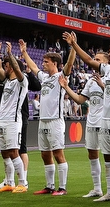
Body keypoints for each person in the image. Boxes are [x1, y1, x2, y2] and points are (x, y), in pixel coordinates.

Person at [66, 32, 110, 204]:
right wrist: (74, 44)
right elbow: (89, 60)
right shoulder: (108, 70)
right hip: (106, 120)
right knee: (108, 156)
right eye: (109, 52)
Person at [20, 40, 75, 196]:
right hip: (42, 120)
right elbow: (33, 67)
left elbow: (70, 65)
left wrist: (73, 48)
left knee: (58, 153)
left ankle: (62, 188)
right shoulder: (44, 77)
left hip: (55, 121)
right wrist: (24, 52)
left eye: (46, 62)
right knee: (45, 154)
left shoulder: (61, 76)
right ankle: (49, 186)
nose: (43, 64)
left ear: (55, 63)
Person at [59, 49, 109, 198]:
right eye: (95, 58)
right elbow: (80, 100)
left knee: (108, 156)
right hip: (92, 122)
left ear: (106, 63)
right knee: (92, 155)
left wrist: (102, 85)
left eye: (98, 60)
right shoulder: (90, 81)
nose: (95, 61)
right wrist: (66, 87)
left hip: (105, 122)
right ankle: (97, 188)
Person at [0, 39, 29, 193]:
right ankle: (10, 182)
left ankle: (23, 183)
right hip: (3, 120)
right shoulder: (6, 81)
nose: (4, 69)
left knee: (13, 151)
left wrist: (10, 54)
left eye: (6, 66)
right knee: (4, 152)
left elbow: (18, 69)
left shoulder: (21, 81)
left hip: (13, 121)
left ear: (11, 67)